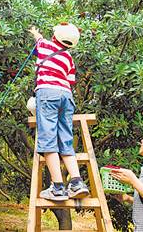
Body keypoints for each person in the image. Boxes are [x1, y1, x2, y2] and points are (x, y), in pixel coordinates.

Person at [28, 23, 89, 201]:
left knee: (48, 139)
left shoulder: (45, 45)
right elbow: (70, 81)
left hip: (48, 93)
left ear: (55, 36)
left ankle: (57, 187)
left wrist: (35, 32)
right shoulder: (69, 58)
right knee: (65, 139)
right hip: (66, 96)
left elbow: (38, 41)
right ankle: (77, 182)